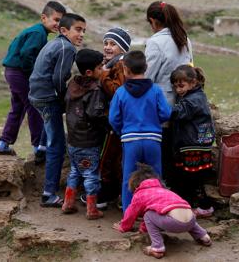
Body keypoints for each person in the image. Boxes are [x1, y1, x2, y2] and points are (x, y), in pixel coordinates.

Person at [0, 1, 66, 162]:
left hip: (12, 72)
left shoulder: (36, 31)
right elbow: (27, 55)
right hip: (20, 73)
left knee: (18, 108)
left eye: (61, 22)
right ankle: (38, 147)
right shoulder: (38, 33)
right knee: (33, 107)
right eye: (56, 20)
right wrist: (35, 76)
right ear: (43, 18)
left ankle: (4, 143)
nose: (58, 24)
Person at [29, 13, 86, 207]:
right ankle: (48, 193)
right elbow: (59, 78)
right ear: (63, 30)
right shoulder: (67, 47)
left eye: (83, 31)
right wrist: (66, 100)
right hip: (47, 98)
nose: (81, 34)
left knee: (50, 130)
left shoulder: (53, 43)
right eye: (78, 29)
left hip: (36, 94)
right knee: (58, 146)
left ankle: (41, 147)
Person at [108, 50, 171, 212]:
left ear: (125, 69)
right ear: (146, 67)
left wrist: (121, 130)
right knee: (155, 177)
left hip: (130, 140)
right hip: (153, 140)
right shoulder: (156, 90)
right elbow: (165, 113)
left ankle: (128, 214)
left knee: (129, 178)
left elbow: (113, 118)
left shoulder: (120, 92)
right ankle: (156, 211)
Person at [113, 163, 211, 259]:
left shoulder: (140, 194)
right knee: (182, 211)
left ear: (135, 186)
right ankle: (203, 236)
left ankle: (157, 247)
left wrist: (124, 227)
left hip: (174, 223)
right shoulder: (166, 191)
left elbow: (131, 213)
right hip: (191, 218)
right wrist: (143, 228)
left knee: (148, 215)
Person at [144, 1, 193, 184]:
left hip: (161, 106)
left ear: (153, 21)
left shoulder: (155, 42)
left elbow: (148, 76)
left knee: (162, 154)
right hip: (183, 102)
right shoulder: (184, 38)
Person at [61, 49, 107, 220]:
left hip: (72, 139)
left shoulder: (73, 84)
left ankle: (68, 203)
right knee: (90, 174)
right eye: (100, 67)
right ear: (90, 72)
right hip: (89, 141)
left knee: (75, 171)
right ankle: (92, 209)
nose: (103, 70)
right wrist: (107, 122)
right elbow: (95, 114)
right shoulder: (95, 90)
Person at [170, 65, 215, 218]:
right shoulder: (195, 96)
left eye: (181, 85)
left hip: (194, 144)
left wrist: (161, 107)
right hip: (196, 142)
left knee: (194, 178)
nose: (178, 90)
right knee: (189, 177)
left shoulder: (193, 100)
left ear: (193, 82)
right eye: (175, 86)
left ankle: (205, 206)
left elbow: (178, 114)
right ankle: (191, 204)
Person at [95, 27, 131, 210]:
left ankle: (108, 193)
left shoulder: (121, 65)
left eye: (113, 44)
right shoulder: (112, 63)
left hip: (118, 121)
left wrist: (102, 76)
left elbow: (119, 91)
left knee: (112, 157)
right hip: (114, 119)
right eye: (106, 43)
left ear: (123, 48)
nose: (108, 47)